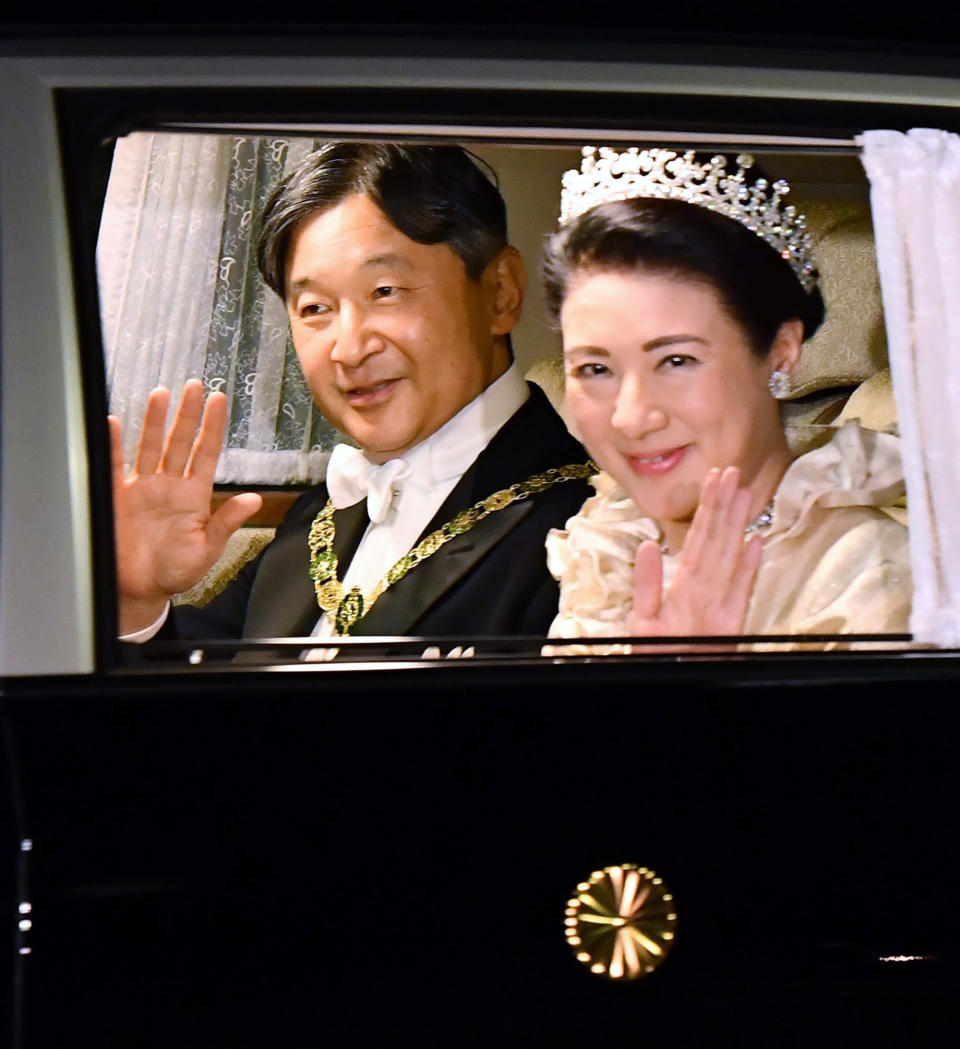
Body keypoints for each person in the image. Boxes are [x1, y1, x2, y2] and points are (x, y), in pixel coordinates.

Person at [112, 143, 593, 654]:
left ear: (500, 293)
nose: (349, 348)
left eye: (385, 291)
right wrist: (138, 604)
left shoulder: (593, 532)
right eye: (315, 307)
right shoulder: (315, 521)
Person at [539, 146, 911, 649]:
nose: (631, 418)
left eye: (675, 361)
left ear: (780, 351)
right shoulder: (608, 544)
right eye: (595, 369)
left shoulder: (874, 579)